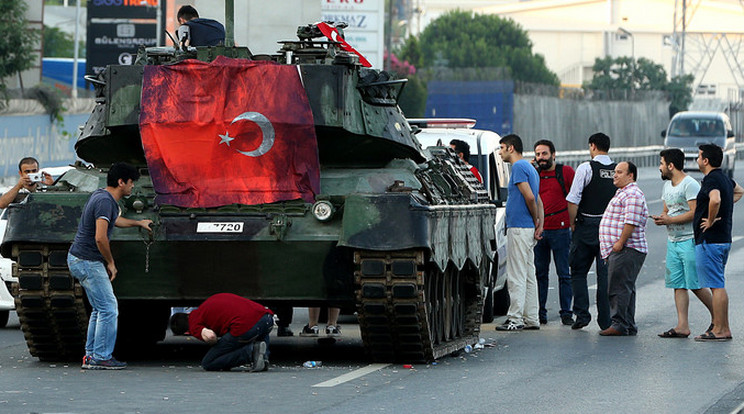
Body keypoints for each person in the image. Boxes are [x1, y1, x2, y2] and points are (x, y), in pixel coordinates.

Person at [67, 163, 153, 370]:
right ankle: (101, 356)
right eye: (131, 182)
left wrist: (138, 222)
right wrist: (111, 263)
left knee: (99, 309)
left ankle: (92, 355)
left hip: (80, 259)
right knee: (109, 309)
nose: (132, 187)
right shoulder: (106, 202)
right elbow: (100, 237)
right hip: (88, 261)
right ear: (121, 182)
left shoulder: (103, 197)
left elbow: (115, 221)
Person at [652, 149, 714, 338]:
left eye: (662, 163)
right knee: (678, 284)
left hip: (689, 240)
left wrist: (670, 221)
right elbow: (667, 210)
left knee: (695, 284)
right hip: (673, 241)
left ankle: (718, 318)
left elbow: (695, 213)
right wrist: (662, 218)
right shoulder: (667, 186)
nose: (660, 167)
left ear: (671, 166)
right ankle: (682, 326)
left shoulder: (689, 184)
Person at [692, 144, 744, 341]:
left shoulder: (711, 179)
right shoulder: (724, 178)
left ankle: (721, 329)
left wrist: (712, 218)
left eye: (698, 157)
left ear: (705, 160)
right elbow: (739, 191)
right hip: (723, 239)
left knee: (716, 285)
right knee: (718, 283)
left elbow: (715, 200)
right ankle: (723, 327)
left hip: (710, 240)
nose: (697, 160)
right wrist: (724, 209)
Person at [566, 133, 616, 330]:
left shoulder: (586, 168)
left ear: (592, 146)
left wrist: (572, 223)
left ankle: (582, 314)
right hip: (610, 229)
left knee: (578, 271)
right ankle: (606, 320)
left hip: (587, 226)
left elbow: (573, 199)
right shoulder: (617, 170)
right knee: (605, 277)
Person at [495, 134, 543, 331]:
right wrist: (539, 223)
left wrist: (534, 219)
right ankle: (531, 317)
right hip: (528, 228)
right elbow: (539, 200)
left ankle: (515, 318)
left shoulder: (518, 168)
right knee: (529, 274)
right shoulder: (531, 168)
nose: (500, 152)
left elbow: (530, 197)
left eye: (502, 148)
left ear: (511, 148)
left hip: (520, 227)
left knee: (516, 274)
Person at [597, 162, 648, 336]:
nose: (615, 175)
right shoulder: (623, 192)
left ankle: (619, 324)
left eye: (619, 172)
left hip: (626, 248)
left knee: (618, 287)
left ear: (630, 175)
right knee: (625, 287)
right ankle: (627, 324)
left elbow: (630, 221)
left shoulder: (632, 194)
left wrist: (620, 242)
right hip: (622, 249)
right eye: (615, 172)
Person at [169, 293, 273, 371]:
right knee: (256, 328)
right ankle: (264, 358)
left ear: (186, 331)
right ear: (187, 313)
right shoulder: (205, 305)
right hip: (267, 318)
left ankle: (251, 352)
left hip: (246, 327)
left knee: (208, 363)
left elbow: (210, 336)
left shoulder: (193, 325)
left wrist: (215, 344)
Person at [532, 139, 575, 326]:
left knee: (564, 273)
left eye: (544, 154)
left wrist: (574, 222)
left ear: (553, 154)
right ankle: (540, 312)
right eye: (538, 154)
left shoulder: (565, 172)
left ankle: (566, 312)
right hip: (540, 231)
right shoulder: (534, 174)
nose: (541, 158)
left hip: (561, 230)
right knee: (539, 274)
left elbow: (576, 196)